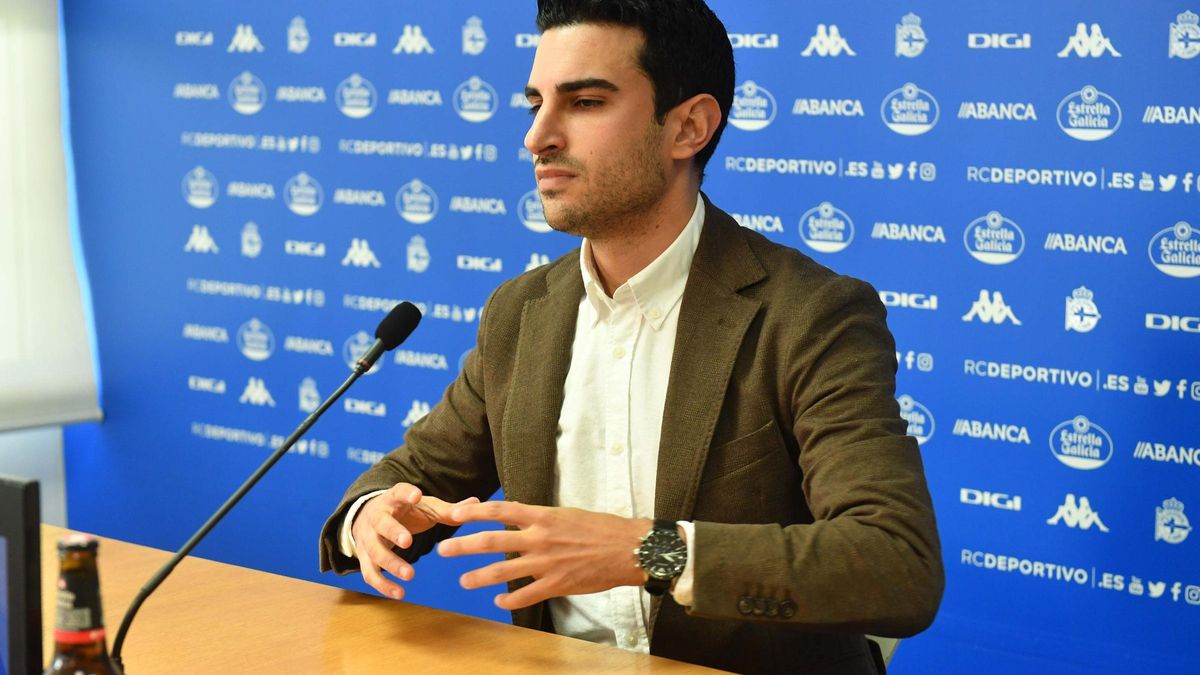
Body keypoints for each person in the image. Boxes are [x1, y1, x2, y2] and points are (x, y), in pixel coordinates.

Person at [319, 1, 944, 672]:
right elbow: (412, 474)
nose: (537, 137)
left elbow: (894, 564)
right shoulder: (520, 312)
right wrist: (371, 516)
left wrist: (645, 550)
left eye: (584, 102)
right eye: (535, 103)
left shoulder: (810, 314)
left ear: (689, 127)